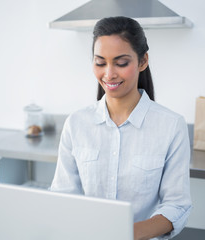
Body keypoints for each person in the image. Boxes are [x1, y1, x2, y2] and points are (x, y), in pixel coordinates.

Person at [50, 16, 192, 240]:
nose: (109, 74)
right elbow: (63, 196)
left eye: (121, 62)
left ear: (143, 61)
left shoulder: (171, 126)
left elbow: (177, 205)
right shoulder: (76, 123)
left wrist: (122, 234)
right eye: (100, 62)